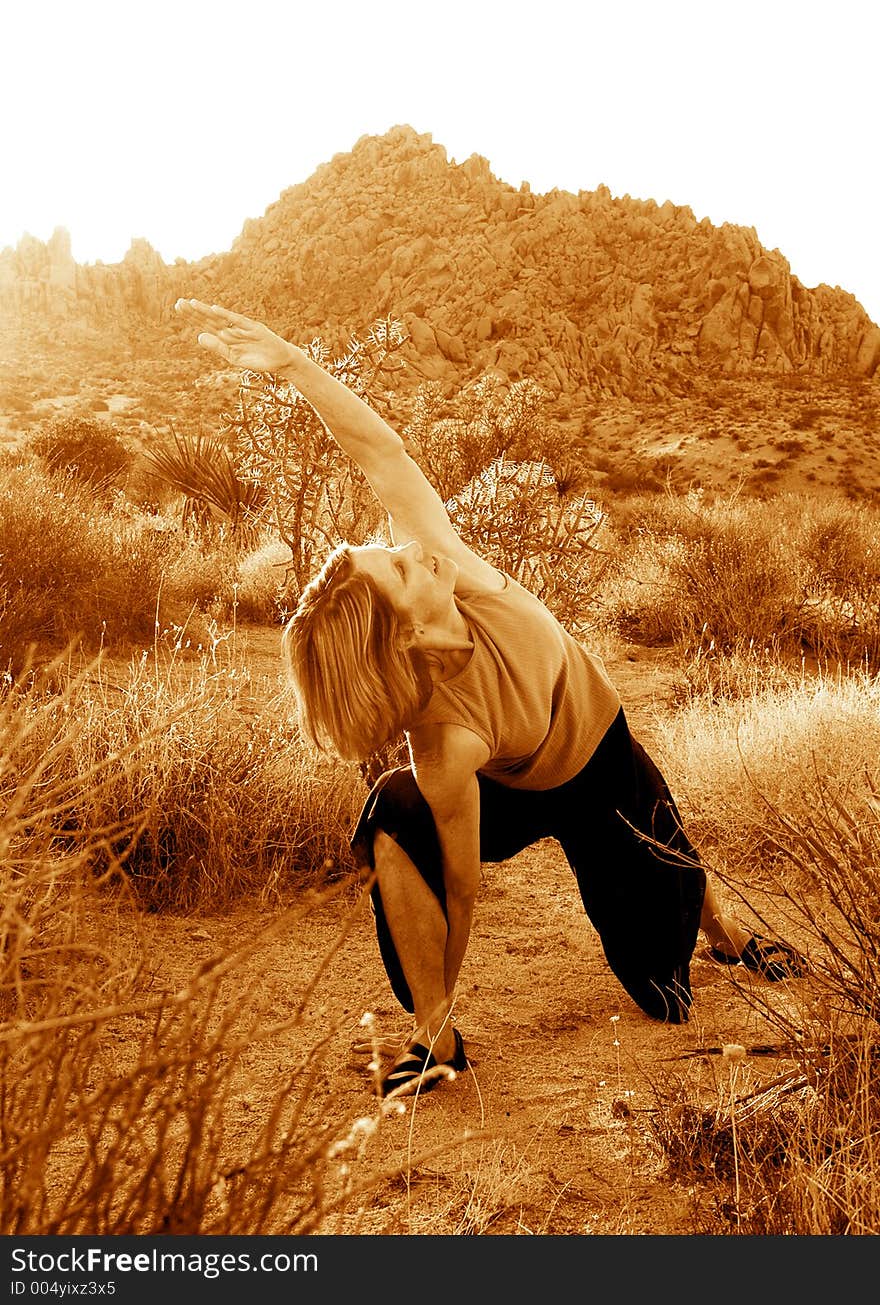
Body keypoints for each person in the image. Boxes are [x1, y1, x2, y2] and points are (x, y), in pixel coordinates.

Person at [176, 297, 808, 1099]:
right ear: (401, 640)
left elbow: (380, 451)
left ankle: (727, 930)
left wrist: (295, 365)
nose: (411, 552)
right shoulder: (443, 746)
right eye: (398, 570)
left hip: (599, 760)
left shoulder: (443, 558)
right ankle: (434, 1037)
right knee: (391, 814)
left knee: (663, 985)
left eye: (394, 551)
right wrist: (445, 1001)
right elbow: (466, 888)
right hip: (506, 781)